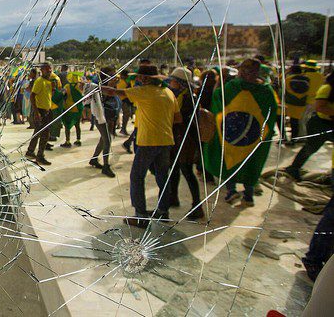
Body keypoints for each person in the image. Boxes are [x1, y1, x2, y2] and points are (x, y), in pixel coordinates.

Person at [102, 64, 180, 227]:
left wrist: (93, 87)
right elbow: (178, 119)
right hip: (166, 140)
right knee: (163, 177)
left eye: (139, 76)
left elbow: (114, 92)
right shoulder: (168, 92)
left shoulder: (143, 92)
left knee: (137, 177)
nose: (137, 79)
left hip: (148, 141)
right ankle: (163, 212)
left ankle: (141, 216)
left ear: (145, 79)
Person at [203, 59, 277, 207]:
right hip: (253, 137)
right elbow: (271, 113)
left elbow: (217, 97)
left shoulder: (232, 87)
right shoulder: (265, 91)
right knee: (251, 162)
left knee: (229, 160)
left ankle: (231, 191)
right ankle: (248, 196)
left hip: (231, 134)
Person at [165, 67, 204, 220]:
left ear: (180, 83)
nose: (170, 83)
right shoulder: (182, 95)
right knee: (174, 169)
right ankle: (173, 197)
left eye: (173, 81)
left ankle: (197, 206)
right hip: (179, 138)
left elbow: (181, 119)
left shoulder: (187, 98)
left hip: (186, 140)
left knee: (187, 171)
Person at [283, 71, 334, 181]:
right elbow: (320, 107)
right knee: (311, 147)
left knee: (310, 148)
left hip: (328, 123)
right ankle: (293, 169)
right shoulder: (327, 89)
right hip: (320, 124)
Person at [25, 62, 54, 166]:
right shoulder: (40, 81)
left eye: (50, 69)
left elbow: (47, 96)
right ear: (42, 70)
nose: (50, 71)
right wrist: (37, 113)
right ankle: (40, 156)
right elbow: (32, 96)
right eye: (47, 69)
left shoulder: (48, 82)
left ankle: (30, 151)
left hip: (46, 111)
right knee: (45, 134)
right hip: (40, 111)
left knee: (38, 132)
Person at [89, 69, 116, 178]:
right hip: (100, 116)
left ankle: (94, 159)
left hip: (109, 116)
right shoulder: (99, 87)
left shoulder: (110, 85)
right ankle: (106, 166)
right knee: (107, 140)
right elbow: (99, 101)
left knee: (104, 139)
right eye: (111, 74)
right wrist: (110, 86)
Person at [60, 73, 83, 148]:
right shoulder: (80, 86)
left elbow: (62, 94)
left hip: (69, 108)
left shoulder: (67, 86)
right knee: (77, 125)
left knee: (67, 125)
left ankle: (67, 141)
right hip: (79, 108)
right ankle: (78, 140)